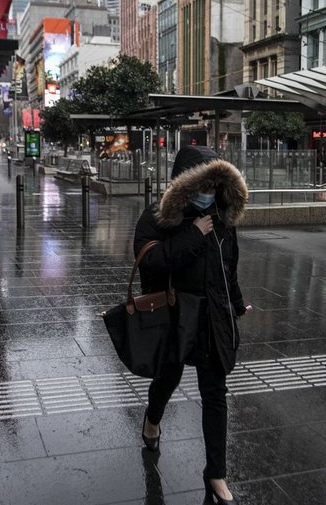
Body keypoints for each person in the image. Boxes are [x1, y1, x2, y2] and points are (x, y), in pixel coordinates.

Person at [134, 145, 250, 505]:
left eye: (214, 187)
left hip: (212, 316)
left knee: (215, 393)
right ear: (183, 186)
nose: (208, 195)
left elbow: (227, 265)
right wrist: (193, 234)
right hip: (175, 317)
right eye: (202, 187)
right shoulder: (157, 218)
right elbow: (151, 261)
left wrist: (235, 304)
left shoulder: (221, 216)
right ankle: (152, 420)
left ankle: (216, 474)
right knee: (166, 379)